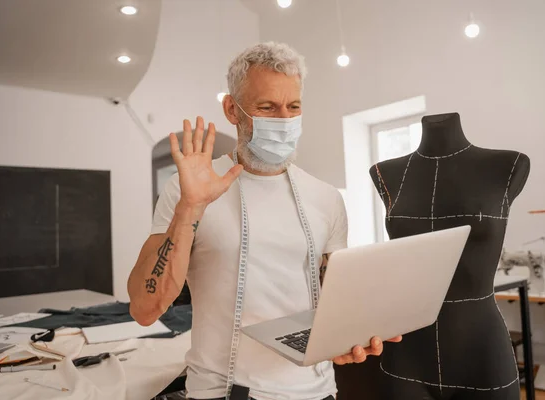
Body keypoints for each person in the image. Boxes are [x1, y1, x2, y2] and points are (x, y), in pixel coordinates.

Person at [127, 42, 401, 400]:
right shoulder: (189, 190)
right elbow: (145, 309)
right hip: (222, 393)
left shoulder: (326, 198)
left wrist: (350, 337)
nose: (284, 120)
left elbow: (334, 301)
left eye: (294, 107)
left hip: (318, 393)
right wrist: (189, 209)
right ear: (232, 109)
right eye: (267, 107)